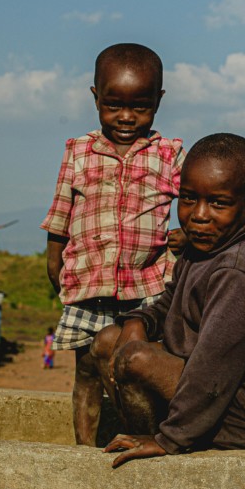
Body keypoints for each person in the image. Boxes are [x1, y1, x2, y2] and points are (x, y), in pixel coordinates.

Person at [96, 133, 245, 467]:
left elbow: (212, 370)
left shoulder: (238, 272)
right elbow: (170, 303)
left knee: (135, 359)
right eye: (188, 199)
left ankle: (161, 443)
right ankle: (144, 432)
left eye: (218, 203)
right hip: (204, 390)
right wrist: (136, 321)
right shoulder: (202, 251)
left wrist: (170, 439)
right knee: (107, 341)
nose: (198, 215)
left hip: (241, 418)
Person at [41, 43, 185, 446]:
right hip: (89, 285)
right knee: (87, 371)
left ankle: (144, 438)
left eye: (140, 106)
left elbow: (192, 203)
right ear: (95, 97)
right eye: (112, 105)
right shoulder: (79, 151)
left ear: (158, 100)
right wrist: (57, 271)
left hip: (147, 289)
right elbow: (59, 218)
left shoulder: (169, 154)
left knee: (134, 369)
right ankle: (84, 452)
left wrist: (185, 235)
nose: (125, 117)